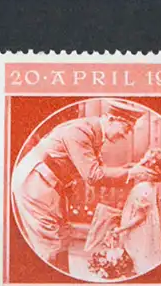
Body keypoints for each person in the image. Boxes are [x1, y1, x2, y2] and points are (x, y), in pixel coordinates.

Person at [14, 101, 143, 270]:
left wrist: (130, 170)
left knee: (62, 238)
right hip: (35, 184)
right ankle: (50, 281)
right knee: (50, 245)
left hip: (51, 185)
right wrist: (132, 173)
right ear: (111, 119)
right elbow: (93, 176)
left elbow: (97, 169)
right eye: (126, 128)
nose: (126, 135)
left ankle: (62, 280)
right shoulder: (80, 132)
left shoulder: (93, 132)